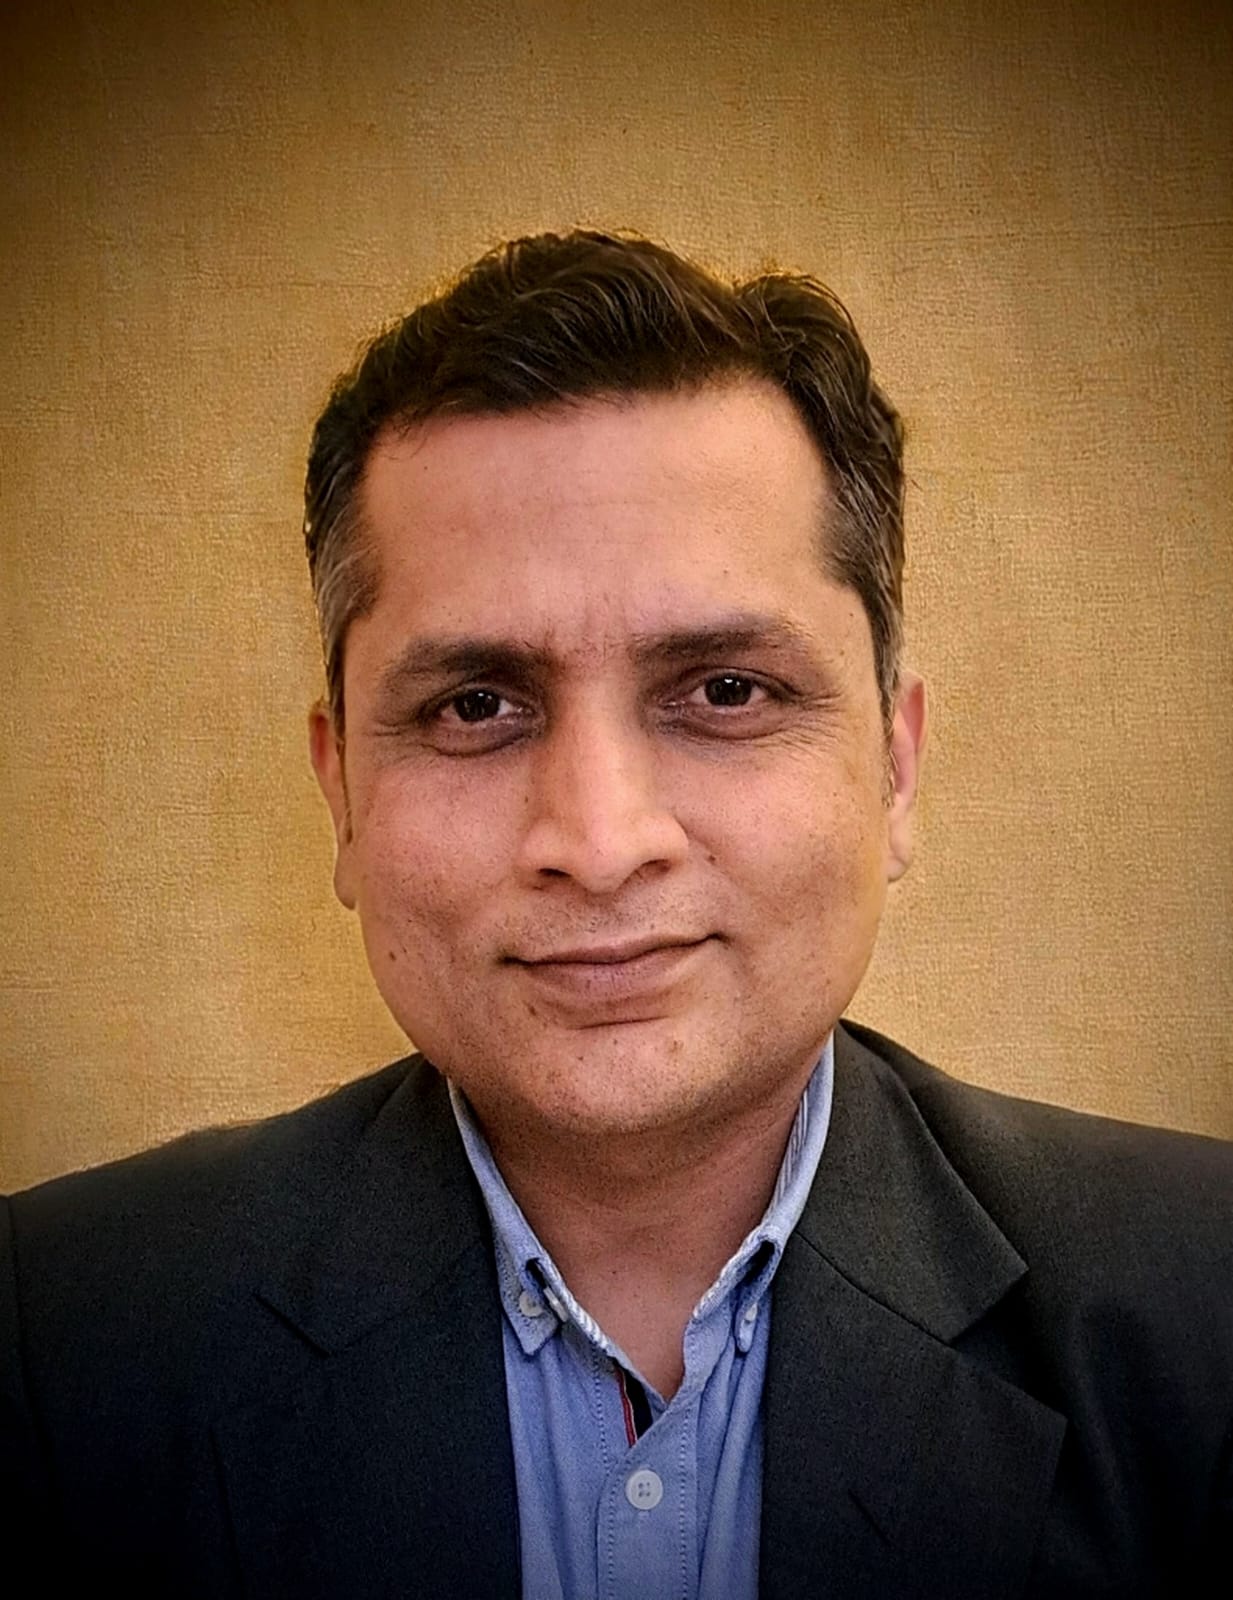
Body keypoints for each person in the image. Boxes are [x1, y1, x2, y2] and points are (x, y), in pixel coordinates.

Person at [1, 229, 1229, 1598]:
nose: (597, 843)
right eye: (476, 705)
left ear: (891, 766)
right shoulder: (53, 1342)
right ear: (341, 790)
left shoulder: (1210, 1310)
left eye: (723, 691)